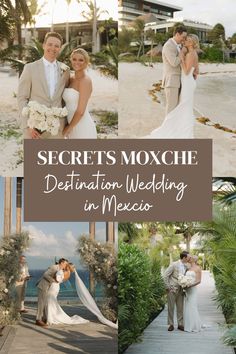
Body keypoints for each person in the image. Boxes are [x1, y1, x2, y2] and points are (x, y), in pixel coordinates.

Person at [145, 33, 199, 138]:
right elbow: (197, 71)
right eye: (185, 38)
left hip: (187, 82)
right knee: (183, 106)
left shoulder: (190, 54)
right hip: (187, 82)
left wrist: (181, 57)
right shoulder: (193, 53)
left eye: (187, 40)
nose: (185, 41)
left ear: (192, 43)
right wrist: (193, 74)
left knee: (183, 106)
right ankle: (179, 128)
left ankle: (177, 130)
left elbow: (187, 71)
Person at [18, 32, 70, 139]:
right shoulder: (30, 68)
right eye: (50, 44)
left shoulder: (65, 70)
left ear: (60, 48)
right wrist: (28, 125)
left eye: (56, 46)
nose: (53, 48)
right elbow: (22, 98)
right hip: (34, 128)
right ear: (44, 45)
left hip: (57, 128)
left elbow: (65, 98)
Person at [62, 48, 97, 138]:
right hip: (71, 124)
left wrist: (68, 128)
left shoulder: (85, 81)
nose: (77, 62)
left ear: (86, 62)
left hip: (82, 126)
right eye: (74, 59)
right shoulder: (71, 78)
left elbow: (81, 111)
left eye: (81, 60)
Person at [35, 258, 68, 327]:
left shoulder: (59, 269)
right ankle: (38, 320)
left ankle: (44, 318)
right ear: (61, 263)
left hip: (48, 287)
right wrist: (53, 280)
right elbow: (45, 274)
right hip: (43, 286)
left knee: (44, 303)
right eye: (65, 264)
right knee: (41, 303)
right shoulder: (54, 267)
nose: (66, 265)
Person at [163, 251, 190, 331]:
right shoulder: (174, 264)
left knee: (180, 308)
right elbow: (165, 275)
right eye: (188, 257)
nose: (189, 259)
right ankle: (171, 324)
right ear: (184, 258)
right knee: (171, 307)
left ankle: (180, 324)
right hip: (172, 289)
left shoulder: (186, 266)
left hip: (181, 289)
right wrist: (168, 287)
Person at [184, 255, 202, 332]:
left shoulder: (198, 268)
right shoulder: (188, 268)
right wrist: (184, 284)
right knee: (187, 306)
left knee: (192, 306)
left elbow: (198, 281)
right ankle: (188, 325)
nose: (189, 259)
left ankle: (194, 326)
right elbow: (185, 278)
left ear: (194, 260)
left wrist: (190, 285)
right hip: (187, 290)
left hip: (192, 289)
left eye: (190, 258)